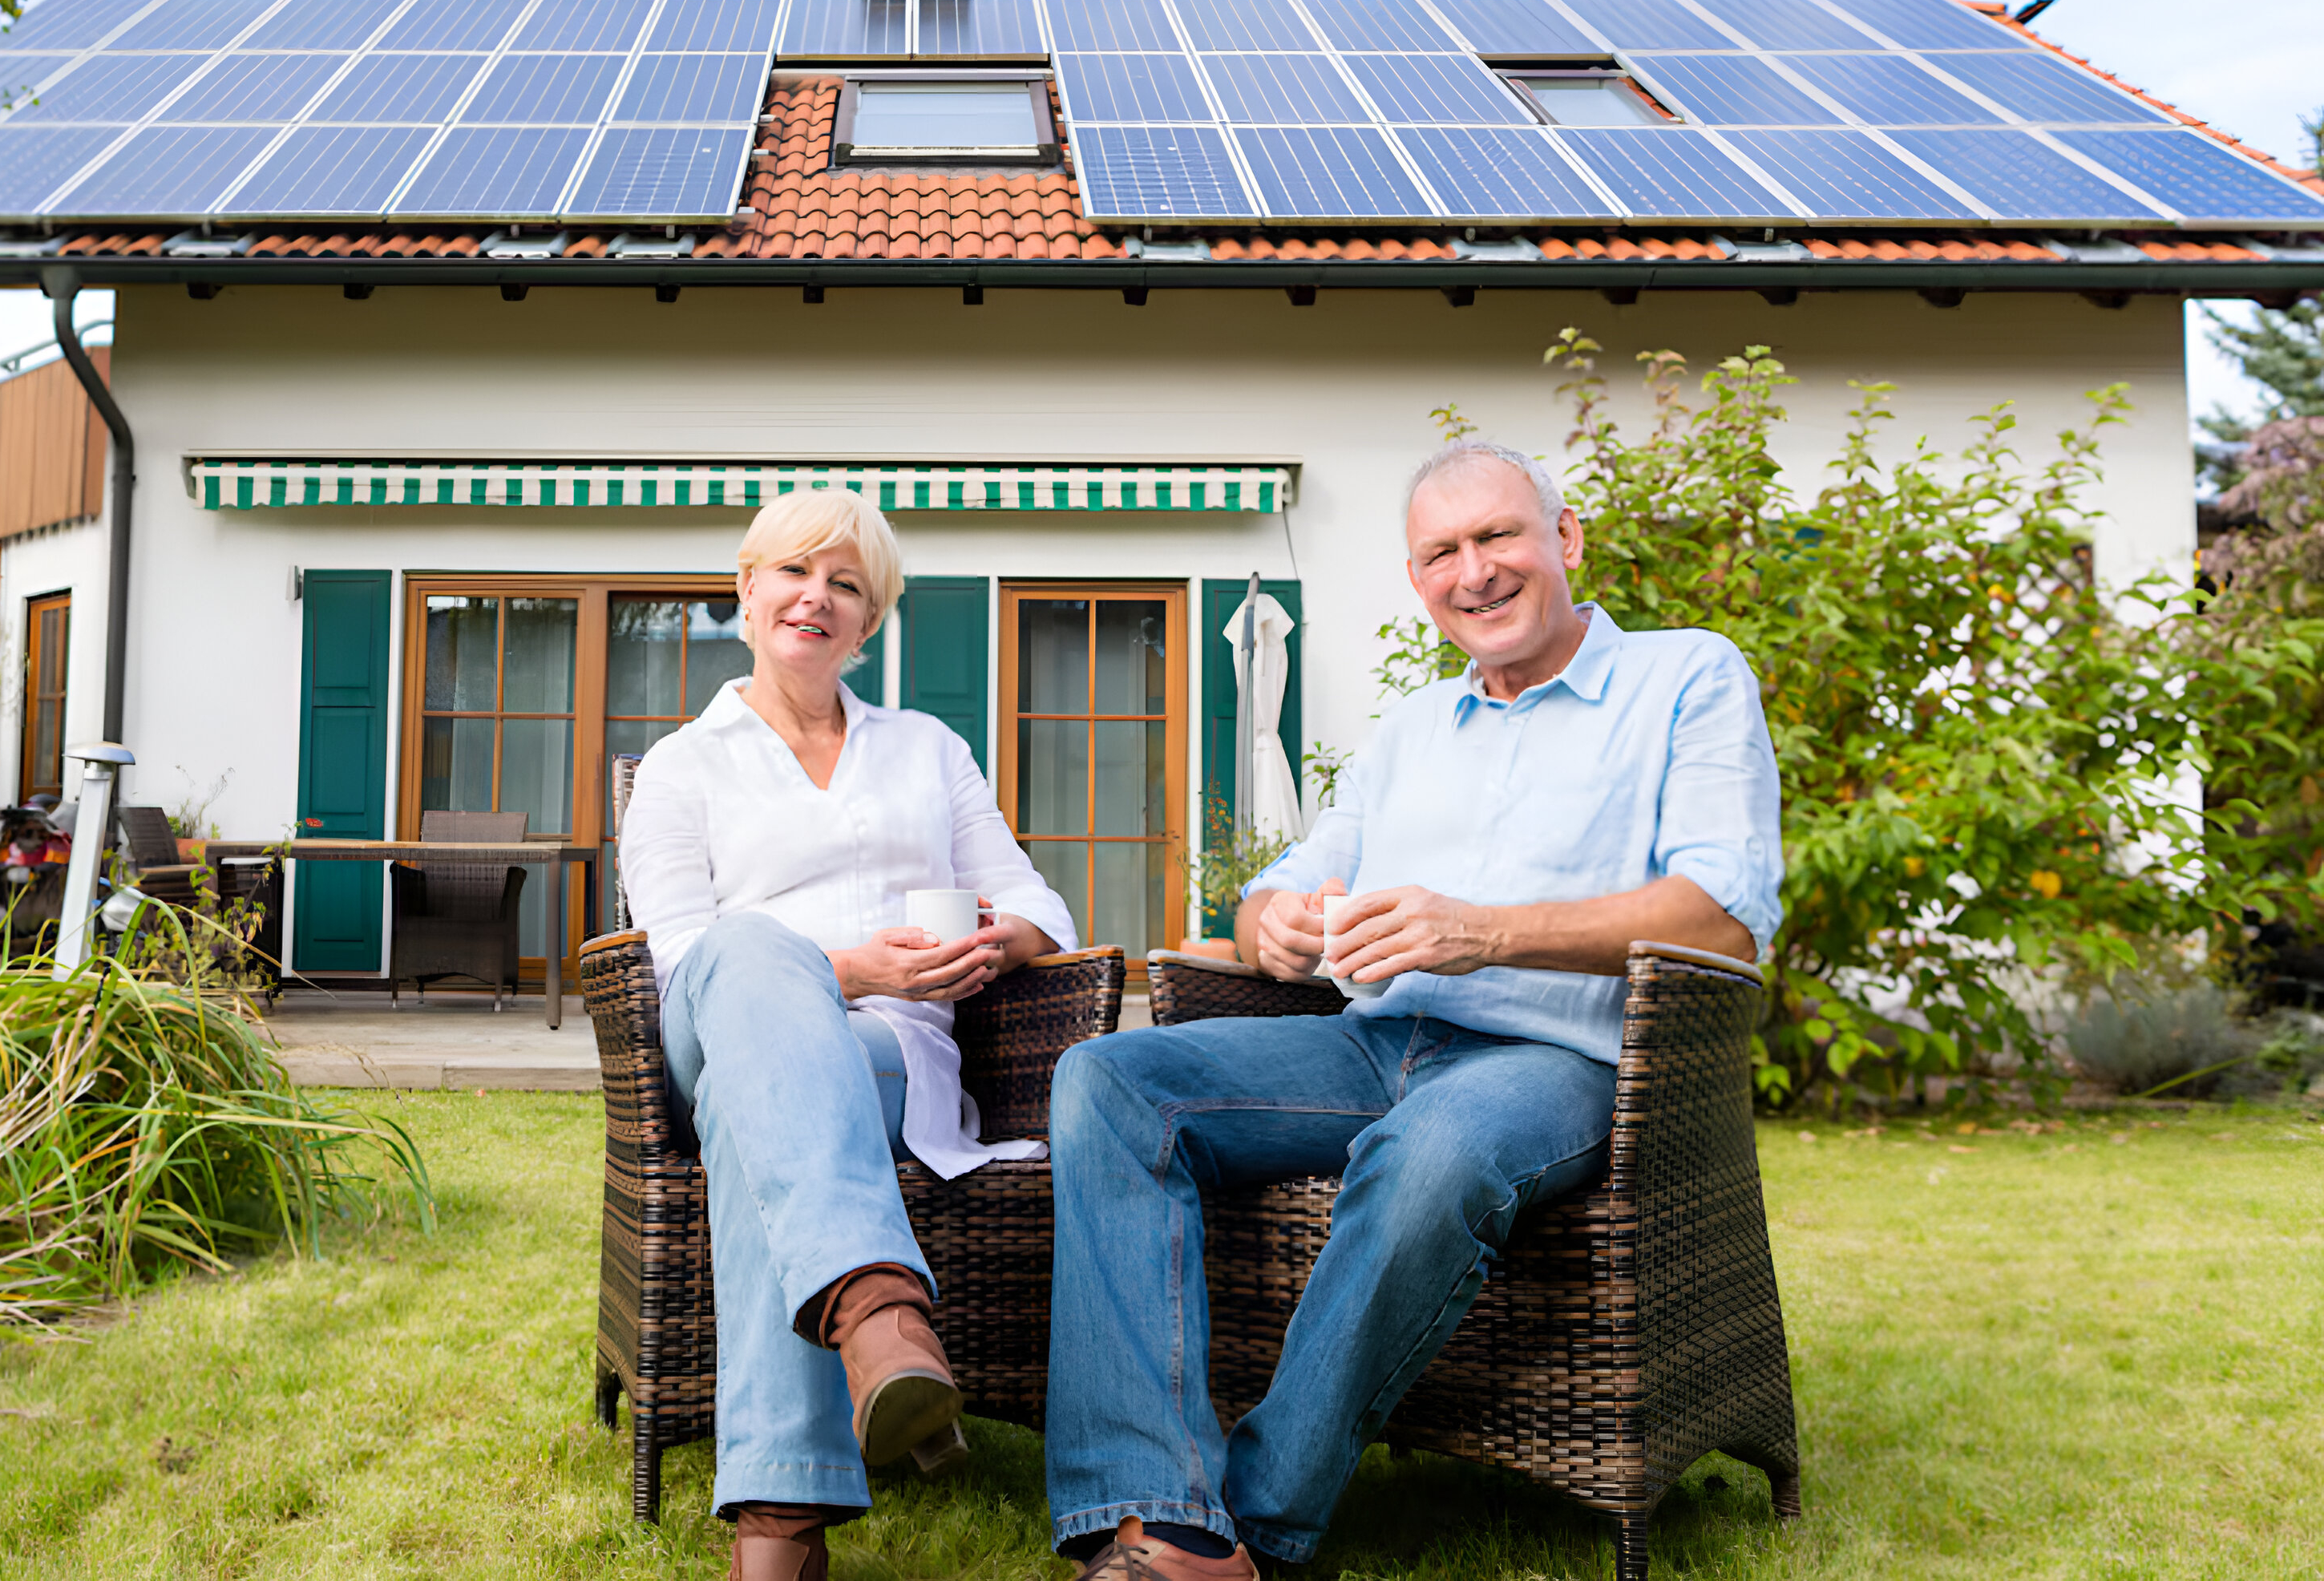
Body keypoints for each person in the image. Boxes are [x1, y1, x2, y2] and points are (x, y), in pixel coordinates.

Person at [1042, 442, 1783, 1577]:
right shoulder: (1411, 730)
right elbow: (1274, 892)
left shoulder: (1686, 677)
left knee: (1431, 1147)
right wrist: (1275, 927)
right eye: (1442, 552)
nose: (1473, 572)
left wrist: (1484, 932)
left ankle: (1252, 1527)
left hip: (1559, 1060)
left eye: (1498, 536)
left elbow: (1723, 917)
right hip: (1371, 1041)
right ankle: (1155, 1502)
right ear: (1417, 579)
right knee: (1109, 1079)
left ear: (1566, 538)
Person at [620, 487, 1079, 1581]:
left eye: (846, 585)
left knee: (756, 1113)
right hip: (715, 1024)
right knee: (747, 951)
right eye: (794, 571)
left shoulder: (927, 749)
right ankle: (878, 1304)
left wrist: (992, 941)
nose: (815, 598)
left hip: (890, 1058)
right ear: (747, 589)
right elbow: (679, 959)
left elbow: (1041, 907)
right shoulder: (684, 764)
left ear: (870, 619)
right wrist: (851, 968)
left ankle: (784, 1515)